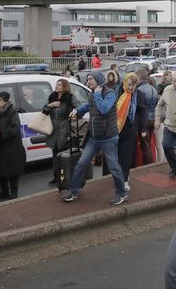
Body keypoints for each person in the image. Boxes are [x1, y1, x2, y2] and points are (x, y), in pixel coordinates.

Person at [63, 72, 128, 205]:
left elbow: (104, 108)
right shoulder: (93, 93)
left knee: (114, 167)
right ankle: (73, 191)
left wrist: (98, 94)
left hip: (108, 138)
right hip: (93, 138)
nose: (88, 82)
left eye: (91, 79)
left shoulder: (110, 93)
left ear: (98, 79)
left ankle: (121, 193)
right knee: (82, 162)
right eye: (87, 80)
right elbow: (89, 106)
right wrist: (78, 110)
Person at [0, 91, 26, 200]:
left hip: (11, 146)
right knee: (1, 170)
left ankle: (14, 192)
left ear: (6, 101)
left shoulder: (12, 112)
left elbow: (14, 129)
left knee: (12, 170)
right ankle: (4, 191)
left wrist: (0, 133)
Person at [45, 79, 82, 187]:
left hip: (65, 130)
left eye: (60, 85)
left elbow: (80, 108)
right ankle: (56, 177)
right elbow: (44, 110)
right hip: (53, 131)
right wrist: (51, 105)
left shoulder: (70, 97)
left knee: (63, 155)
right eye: (56, 84)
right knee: (55, 155)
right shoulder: (52, 97)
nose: (57, 86)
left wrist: (75, 115)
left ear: (65, 86)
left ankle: (65, 177)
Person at [114, 73, 139, 189]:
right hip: (117, 128)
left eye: (133, 85)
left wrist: (141, 128)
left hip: (130, 128)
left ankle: (124, 180)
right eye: (129, 84)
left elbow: (141, 111)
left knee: (126, 155)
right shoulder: (117, 93)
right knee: (118, 155)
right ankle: (120, 177)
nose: (131, 88)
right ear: (124, 82)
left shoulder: (137, 95)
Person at [135, 69, 164, 165]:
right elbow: (157, 105)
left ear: (139, 78)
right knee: (148, 143)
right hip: (152, 119)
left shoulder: (139, 90)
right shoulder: (153, 89)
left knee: (145, 145)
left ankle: (148, 165)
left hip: (144, 120)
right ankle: (150, 163)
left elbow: (139, 107)